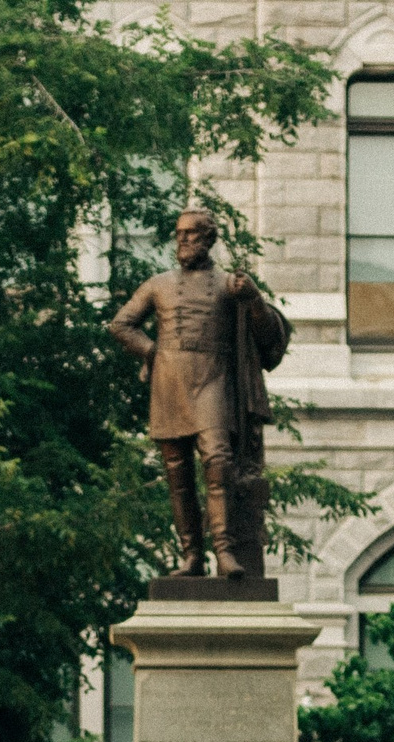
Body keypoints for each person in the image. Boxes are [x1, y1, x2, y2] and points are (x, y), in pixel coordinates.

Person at [106, 208, 291, 579]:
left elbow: (271, 335)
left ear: (209, 239)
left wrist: (253, 299)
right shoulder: (158, 284)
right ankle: (192, 556)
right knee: (177, 472)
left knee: (218, 461)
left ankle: (224, 551)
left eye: (191, 234)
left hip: (213, 378)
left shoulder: (229, 284)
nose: (183, 241)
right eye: (179, 235)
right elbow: (121, 324)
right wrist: (152, 352)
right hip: (169, 381)